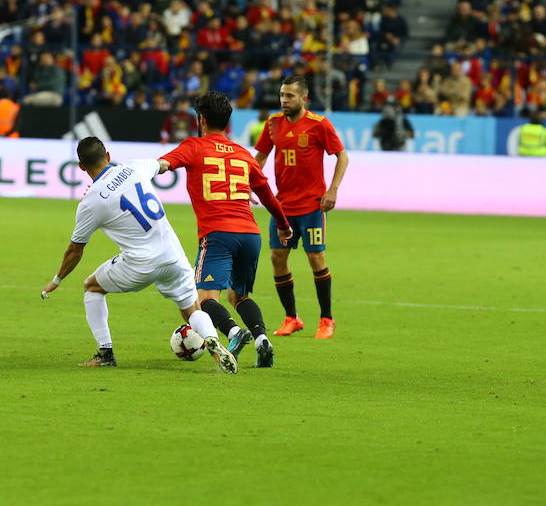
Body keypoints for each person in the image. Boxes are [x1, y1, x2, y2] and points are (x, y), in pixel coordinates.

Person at [39, 137, 238, 373]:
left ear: (81, 167)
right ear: (109, 156)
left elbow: (75, 249)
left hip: (140, 264)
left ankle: (105, 353)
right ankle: (212, 339)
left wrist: (57, 280)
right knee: (192, 309)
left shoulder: (90, 202)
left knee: (92, 286)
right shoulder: (133, 167)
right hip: (173, 256)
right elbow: (163, 164)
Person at [158, 92, 293, 368]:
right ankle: (261, 339)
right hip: (250, 235)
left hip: (218, 235)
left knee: (204, 299)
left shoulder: (194, 147)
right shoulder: (244, 154)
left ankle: (233, 332)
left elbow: (163, 164)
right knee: (239, 296)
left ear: (202, 120)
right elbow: (267, 194)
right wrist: (283, 225)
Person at [253, 75, 349, 339]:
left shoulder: (319, 125)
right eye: (282, 95)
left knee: (315, 258)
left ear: (304, 98)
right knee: (277, 258)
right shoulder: (273, 123)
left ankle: (326, 319)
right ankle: (291, 317)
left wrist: (332, 190)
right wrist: (246, 183)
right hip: (281, 206)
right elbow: (260, 156)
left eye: (290, 96)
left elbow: (342, 155)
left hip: (312, 205)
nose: (284, 100)